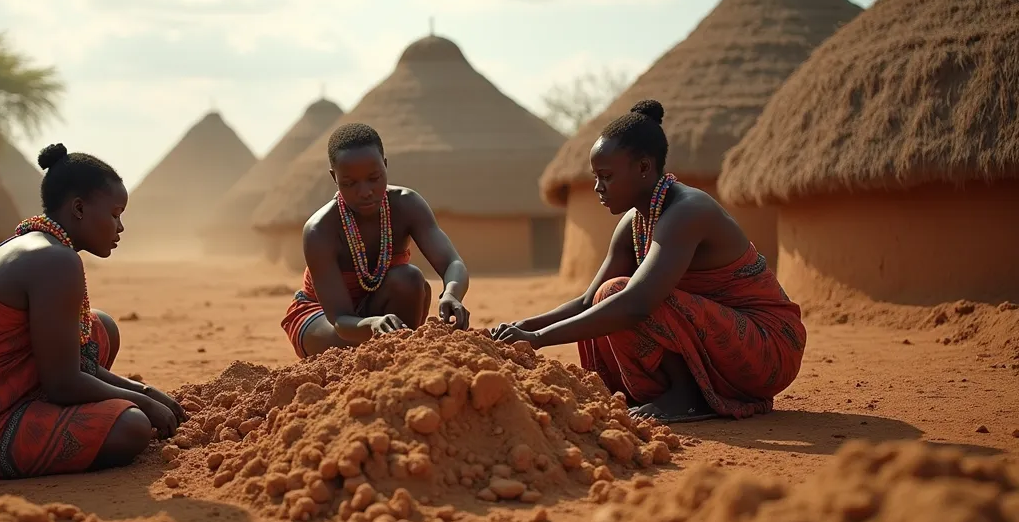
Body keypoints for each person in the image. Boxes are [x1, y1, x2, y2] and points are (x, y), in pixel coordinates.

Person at [490, 100, 806, 423]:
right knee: (605, 300)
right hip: (725, 348)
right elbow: (588, 301)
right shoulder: (634, 223)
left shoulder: (688, 211)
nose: (599, 188)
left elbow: (637, 304)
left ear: (643, 168)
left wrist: (539, 340)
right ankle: (672, 392)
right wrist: (522, 328)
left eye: (607, 176)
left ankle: (687, 397)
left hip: (770, 349)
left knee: (618, 296)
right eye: (596, 177)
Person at [0, 143, 187, 481]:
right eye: (115, 214)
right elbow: (63, 383)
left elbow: (74, 362)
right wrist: (143, 401)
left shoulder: (41, 245)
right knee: (131, 426)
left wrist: (143, 391)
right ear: (79, 208)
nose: (121, 227)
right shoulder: (55, 261)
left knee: (101, 328)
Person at [280, 123, 472, 358]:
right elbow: (339, 318)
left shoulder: (406, 205)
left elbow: (453, 262)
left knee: (409, 279)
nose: (365, 191)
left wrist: (452, 293)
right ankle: (383, 358)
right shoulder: (320, 230)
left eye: (374, 178)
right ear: (334, 177)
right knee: (350, 352)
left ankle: (398, 360)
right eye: (350, 183)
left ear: (386, 165)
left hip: (383, 307)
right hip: (326, 316)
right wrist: (371, 324)